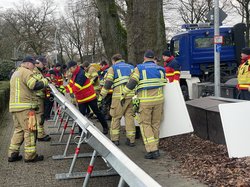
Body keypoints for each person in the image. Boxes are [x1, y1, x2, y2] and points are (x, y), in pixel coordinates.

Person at [121, 50, 166, 159]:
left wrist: (123, 93)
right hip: (159, 101)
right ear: (153, 57)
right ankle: (155, 147)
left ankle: (152, 150)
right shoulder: (161, 69)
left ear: (145, 58)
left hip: (145, 102)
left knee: (145, 124)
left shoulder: (139, 68)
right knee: (155, 124)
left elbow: (132, 83)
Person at [8, 56, 49, 162]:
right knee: (30, 131)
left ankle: (13, 154)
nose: (34, 66)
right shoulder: (26, 72)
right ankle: (30, 156)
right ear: (27, 63)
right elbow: (34, 85)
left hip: (14, 107)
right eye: (33, 64)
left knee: (19, 130)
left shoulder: (16, 72)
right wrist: (46, 81)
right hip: (25, 107)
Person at [99, 54, 135, 146]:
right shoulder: (131, 67)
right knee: (129, 117)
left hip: (118, 96)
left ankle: (115, 139)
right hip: (131, 95)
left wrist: (102, 95)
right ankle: (131, 140)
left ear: (113, 60)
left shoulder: (113, 68)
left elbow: (108, 83)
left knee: (115, 117)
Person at [65, 61, 108, 134]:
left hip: (89, 97)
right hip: (81, 98)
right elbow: (71, 83)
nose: (70, 70)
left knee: (97, 112)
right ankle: (81, 131)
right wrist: (65, 88)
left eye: (70, 69)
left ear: (75, 66)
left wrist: (67, 90)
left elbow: (76, 87)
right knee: (81, 115)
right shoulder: (75, 73)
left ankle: (105, 127)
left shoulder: (81, 74)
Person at [33, 56, 51, 141]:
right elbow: (38, 84)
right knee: (40, 116)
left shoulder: (37, 71)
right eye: (43, 64)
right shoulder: (35, 71)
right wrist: (46, 81)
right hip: (37, 97)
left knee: (40, 116)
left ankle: (41, 133)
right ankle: (40, 135)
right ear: (39, 63)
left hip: (39, 96)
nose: (44, 66)